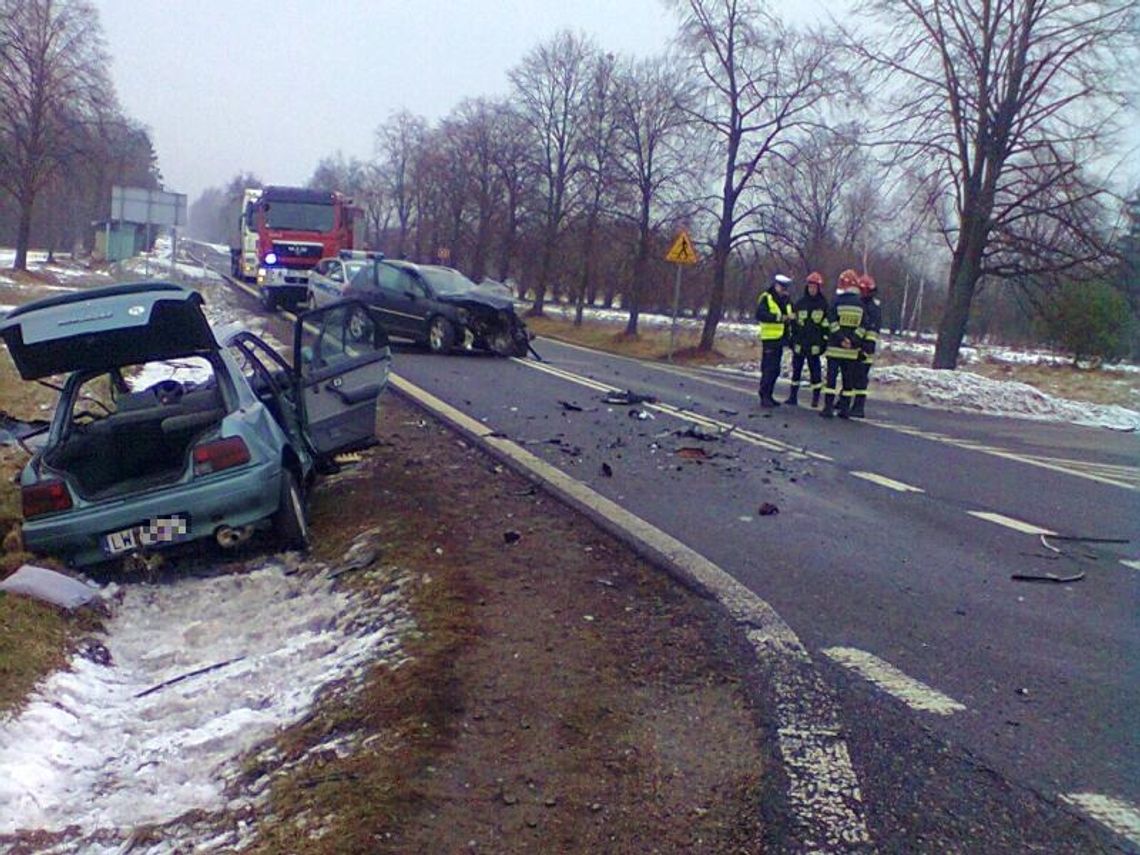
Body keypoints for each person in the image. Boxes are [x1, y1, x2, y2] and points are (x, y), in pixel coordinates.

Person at [819, 268, 866, 419]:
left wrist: (841, 339)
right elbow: (863, 327)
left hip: (835, 349)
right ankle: (844, 410)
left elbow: (831, 323)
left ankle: (828, 408)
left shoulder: (836, 302)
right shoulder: (861, 305)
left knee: (831, 380)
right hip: (851, 351)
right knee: (848, 381)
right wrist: (852, 341)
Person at [784, 271, 829, 407]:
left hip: (815, 343)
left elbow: (826, 326)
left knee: (815, 371)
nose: (812, 289)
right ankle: (792, 396)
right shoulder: (800, 303)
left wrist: (823, 344)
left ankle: (815, 398)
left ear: (819, 288)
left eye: (814, 287)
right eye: (810, 287)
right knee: (796, 370)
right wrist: (792, 341)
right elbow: (793, 323)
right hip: (800, 342)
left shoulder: (823, 305)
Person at [755, 273, 793, 407]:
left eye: (786, 288)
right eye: (783, 287)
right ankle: (764, 395)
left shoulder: (786, 300)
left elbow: (789, 315)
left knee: (775, 369)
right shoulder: (767, 297)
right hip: (770, 338)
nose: (784, 290)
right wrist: (779, 318)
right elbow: (760, 314)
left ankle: (769, 395)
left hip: (780, 338)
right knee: (769, 368)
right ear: (776, 285)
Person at [851, 273, 882, 418]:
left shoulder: (872, 308)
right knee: (851, 375)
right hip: (857, 345)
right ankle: (846, 402)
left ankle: (858, 406)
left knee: (861, 378)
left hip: (865, 348)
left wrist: (865, 348)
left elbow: (872, 330)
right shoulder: (862, 305)